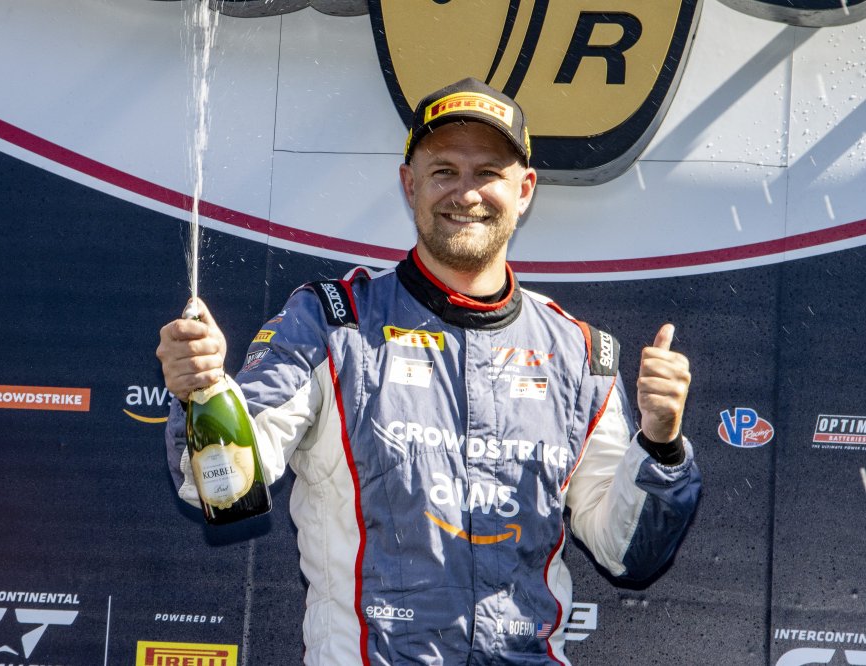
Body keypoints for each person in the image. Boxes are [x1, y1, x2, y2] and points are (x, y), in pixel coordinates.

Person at [157, 77, 700, 665]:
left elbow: (629, 552)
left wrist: (661, 445)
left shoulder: (579, 353)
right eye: (444, 171)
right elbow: (227, 486)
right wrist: (202, 392)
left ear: (524, 190)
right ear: (409, 184)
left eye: (487, 172)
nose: (466, 193)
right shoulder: (331, 324)